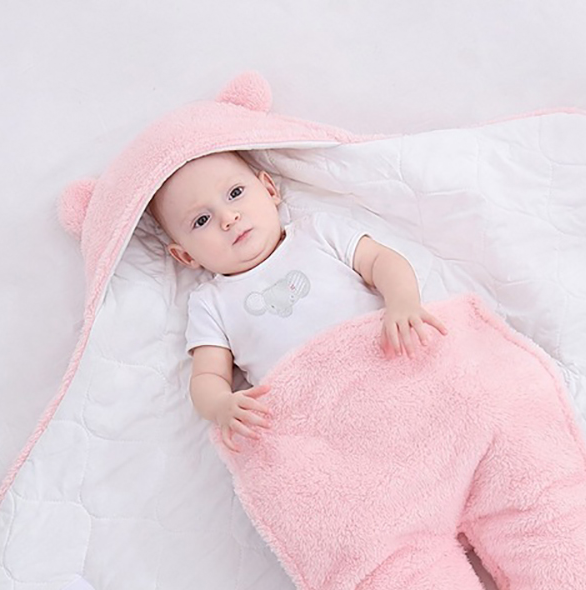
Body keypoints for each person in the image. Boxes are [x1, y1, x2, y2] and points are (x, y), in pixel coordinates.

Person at [147, 150, 448, 452]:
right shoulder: (210, 303)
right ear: (185, 256)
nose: (228, 218)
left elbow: (382, 261)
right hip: (314, 415)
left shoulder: (317, 232)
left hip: (384, 359)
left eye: (235, 193)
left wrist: (403, 302)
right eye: (201, 220)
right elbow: (208, 374)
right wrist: (220, 404)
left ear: (269, 189)